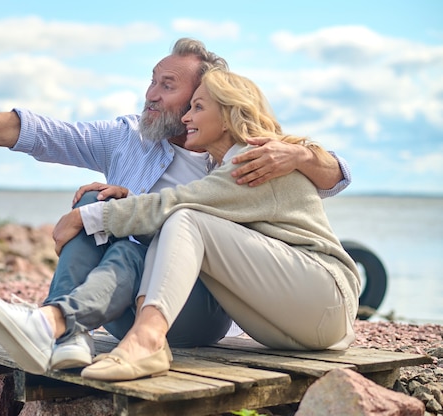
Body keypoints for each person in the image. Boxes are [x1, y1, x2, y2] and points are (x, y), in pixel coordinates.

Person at [0, 38, 352, 375]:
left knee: (147, 227)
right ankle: (65, 332)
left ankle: (54, 323)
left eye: (170, 87)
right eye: (151, 82)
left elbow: (331, 180)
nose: (152, 95)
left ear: (207, 98)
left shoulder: (246, 157)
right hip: (136, 301)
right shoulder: (130, 138)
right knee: (100, 199)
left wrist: (307, 153)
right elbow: (40, 132)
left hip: (199, 307)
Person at [50, 68, 360, 381]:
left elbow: (175, 203)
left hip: (327, 297)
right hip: (290, 325)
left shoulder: (254, 160)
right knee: (178, 220)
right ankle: (77, 327)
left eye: (198, 107)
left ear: (227, 116)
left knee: (184, 216)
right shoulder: (223, 169)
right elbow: (174, 225)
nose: (186, 118)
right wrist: (121, 204)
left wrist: (88, 217)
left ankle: (144, 339)